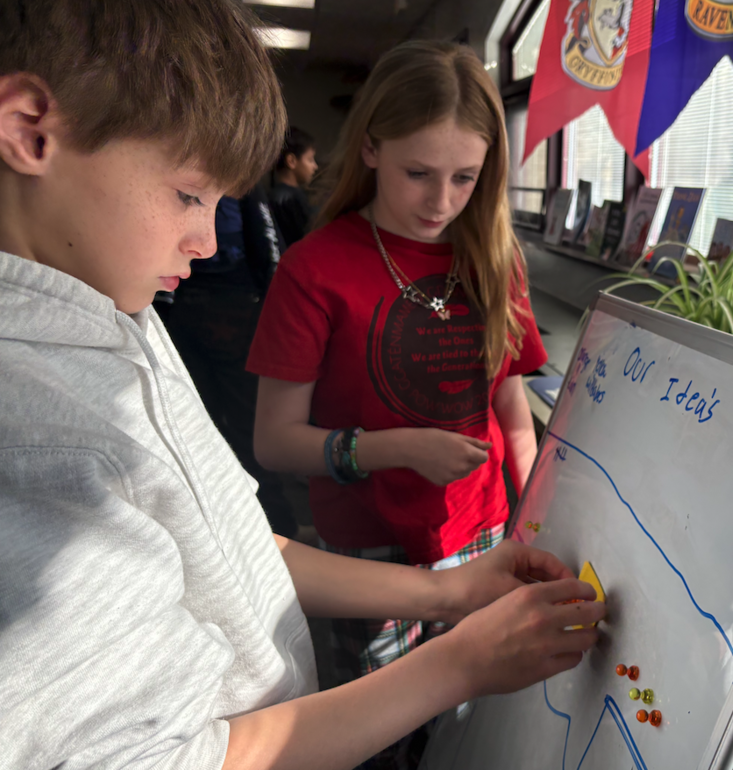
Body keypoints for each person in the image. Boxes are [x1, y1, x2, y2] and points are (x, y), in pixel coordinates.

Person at [0, 3, 605, 769]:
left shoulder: (121, 306)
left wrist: (456, 593)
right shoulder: (33, 425)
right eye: (190, 194)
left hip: (457, 552)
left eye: (465, 177)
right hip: (361, 565)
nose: (208, 241)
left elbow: (235, 549)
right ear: (30, 132)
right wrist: (458, 660)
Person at [246, 41, 548, 768]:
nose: (441, 203)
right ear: (373, 149)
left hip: (484, 536)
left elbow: (513, 411)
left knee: (473, 732)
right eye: (419, 174)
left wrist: (536, 516)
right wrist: (395, 447)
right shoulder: (316, 268)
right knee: (379, 735)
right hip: (367, 551)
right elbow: (274, 441)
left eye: (465, 178)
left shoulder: (493, 259)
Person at [155, 187, 315, 543]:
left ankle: (277, 529)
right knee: (200, 425)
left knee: (247, 425)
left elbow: (270, 251)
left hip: (240, 311)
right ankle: (231, 532)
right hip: (183, 312)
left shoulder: (247, 193)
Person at [270, 126, 318, 247]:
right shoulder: (289, 199)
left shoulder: (274, 196)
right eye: (310, 159)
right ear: (291, 161)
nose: (315, 166)